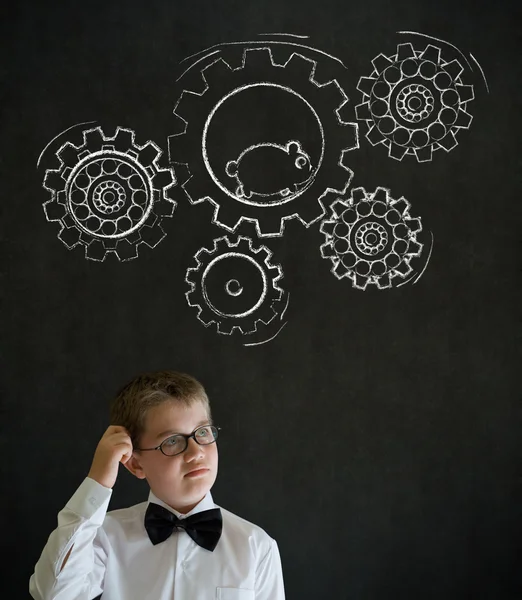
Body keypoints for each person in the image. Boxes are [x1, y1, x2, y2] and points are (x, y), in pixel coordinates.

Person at [29, 370, 285, 600]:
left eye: (203, 432)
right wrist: (98, 480)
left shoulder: (256, 545)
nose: (196, 452)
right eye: (172, 441)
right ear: (135, 465)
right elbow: (54, 594)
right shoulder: (105, 536)